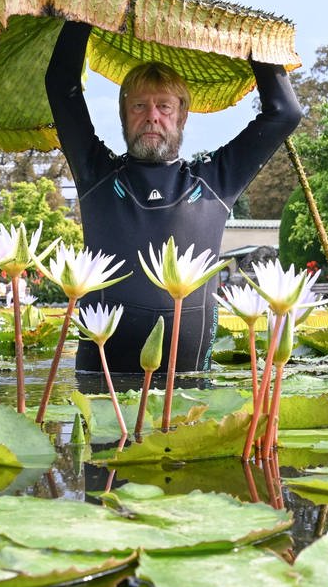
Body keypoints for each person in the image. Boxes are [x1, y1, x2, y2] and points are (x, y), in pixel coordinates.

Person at [45, 20, 302, 375]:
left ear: (182, 116)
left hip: (190, 385)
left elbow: (284, 113)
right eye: (139, 106)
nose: (152, 117)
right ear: (123, 117)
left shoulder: (216, 180)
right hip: (100, 384)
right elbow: (61, 85)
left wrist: (258, 42)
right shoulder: (96, 174)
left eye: (164, 107)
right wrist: (81, 16)